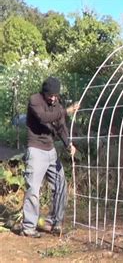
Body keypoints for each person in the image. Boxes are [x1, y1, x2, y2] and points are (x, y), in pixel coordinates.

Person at [20, 76, 80, 238]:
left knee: (61, 185)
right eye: (50, 95)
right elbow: (43, 118)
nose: (53, 98)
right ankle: (29, 227)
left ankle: (54, 222)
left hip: (50, 151)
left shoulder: (56, 105)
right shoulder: (35, 100)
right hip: (36, 150)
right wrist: (66, 111)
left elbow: (60, 128)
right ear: (44, 92)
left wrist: (68, 144)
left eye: (55, 95)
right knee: (33, 188)